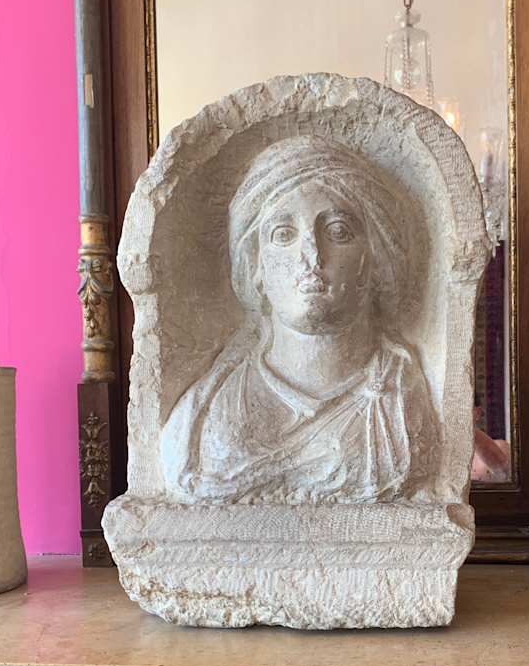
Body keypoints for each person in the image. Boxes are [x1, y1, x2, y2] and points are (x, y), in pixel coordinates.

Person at [161, 135, 438, 504]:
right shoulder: (202, 416)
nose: (311, 254)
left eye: (338, 232)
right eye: (283, 234)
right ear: (256, 267)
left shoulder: (401, 400)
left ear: (375, 259)